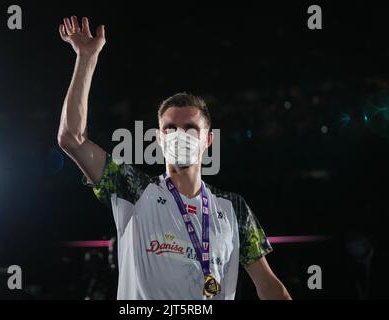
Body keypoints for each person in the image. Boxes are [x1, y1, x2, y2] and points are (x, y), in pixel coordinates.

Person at [57, 15, 291, 300]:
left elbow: (267, 284)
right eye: (171, 129)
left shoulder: (234, 209)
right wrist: (86, 58)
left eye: (190, 128)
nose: (180, 136)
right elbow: (71, 138)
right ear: (159, 139)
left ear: (208, 140)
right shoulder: (133, 189)